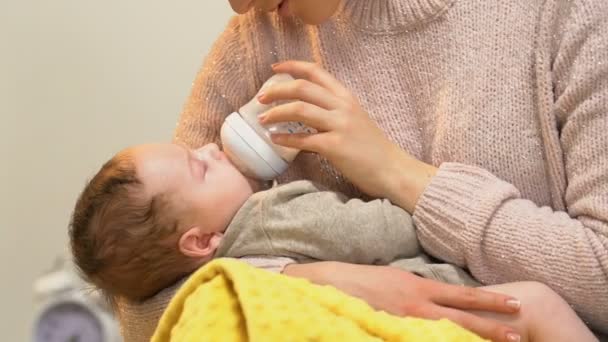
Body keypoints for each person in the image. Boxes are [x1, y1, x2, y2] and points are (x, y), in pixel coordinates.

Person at [172, 0, 608, 340]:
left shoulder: (568, 16)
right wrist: (321, 284)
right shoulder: (258, 38)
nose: (239, 6)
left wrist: (397, 174)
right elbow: (142, 280)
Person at [69, 142, 596, 342]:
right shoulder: (270, 214)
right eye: (198, 165)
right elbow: (380, 232)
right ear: (200, 241)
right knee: (538, 304)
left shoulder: (204, 260)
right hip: (436, 307)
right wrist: (418, 197)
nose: (210, 146)